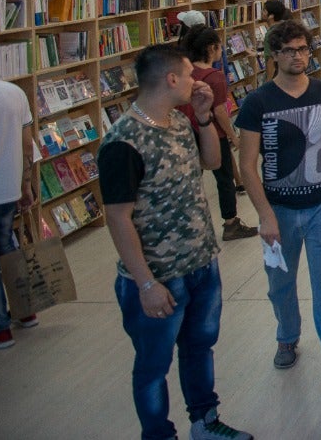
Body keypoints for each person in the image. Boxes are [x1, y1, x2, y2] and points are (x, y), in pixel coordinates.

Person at [98, 46, 252, 440]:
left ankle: (205, 421)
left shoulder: (179, 122)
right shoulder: (123, 142)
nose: (196, 79)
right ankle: (159, 433)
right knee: (153, 365)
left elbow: (213, 163)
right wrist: (146, 283)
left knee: (199, 348)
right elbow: (117, 218)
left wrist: (203, 119)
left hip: (200, 262)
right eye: (188, 74)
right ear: (170, 79)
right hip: (158, 277)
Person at [236, 21, 321, 412]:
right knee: (280, 284)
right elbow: (246, 165)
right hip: (279, 210)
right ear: (274, 55)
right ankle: (287, 335)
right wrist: (264, 215)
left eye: (304, 49)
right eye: (290, 50)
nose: (299, 56)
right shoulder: (258, 102)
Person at [178, 27, 258, 241]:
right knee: (224, 179)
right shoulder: (215, 77)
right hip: (211, 132)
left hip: (186, 132)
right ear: (211, 48)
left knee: (191, 179)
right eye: (219, 46)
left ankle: (187, 223)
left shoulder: (185, 73)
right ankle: (231, 223)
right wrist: (233, 136)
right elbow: (220, 111)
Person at [0, 70, 37, 348]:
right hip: (8, 189)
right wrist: (26, 184)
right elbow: (26, 145)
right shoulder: (14, 94)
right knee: (8, 246)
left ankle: (0, 329)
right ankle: (26, 312)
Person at [260, 0, 291, 83]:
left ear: (271, 16)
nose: (261, 12)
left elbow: (271, 60)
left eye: (264, 11)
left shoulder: (270, 34)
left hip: (277, 77)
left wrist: (268, 83)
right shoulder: (287, 27)